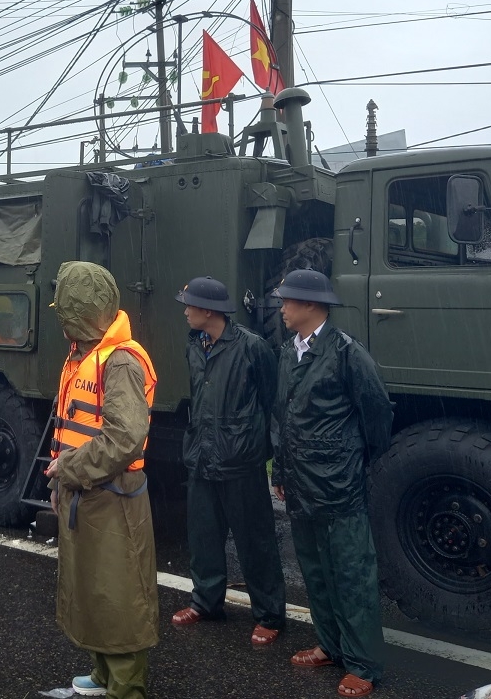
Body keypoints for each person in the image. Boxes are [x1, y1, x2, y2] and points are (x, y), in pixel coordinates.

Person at [271, 269, 393, 698]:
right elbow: (284, 419)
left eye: (287, 300)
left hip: (339, 486)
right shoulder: (289, 352)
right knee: (316, 571)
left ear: (310, 305)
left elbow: (377, 414)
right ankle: (330, 645)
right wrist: (281, 472)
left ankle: (364, 664)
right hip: (301, 484)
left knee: (351, 574)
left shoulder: (346, 354)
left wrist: (352, 462)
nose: (281, 308)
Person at [43, 261, 158, 699]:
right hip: (86, 494)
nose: (60, 320)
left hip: (114, 498)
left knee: (120, 595)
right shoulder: (84, 354)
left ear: (78, 313)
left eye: (64, 310)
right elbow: (73, 428)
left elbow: (125, 438)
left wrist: (68, 470)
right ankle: (104, 673)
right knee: (92, 589)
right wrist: (60, 484)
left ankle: (126, 688)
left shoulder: (120, 361)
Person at [171, 276, 286, 646]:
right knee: (203, 535)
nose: (185, 312)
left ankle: (269, 615)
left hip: (241, 461)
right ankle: (205, 602)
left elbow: (272, 404)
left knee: (255, 541)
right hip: (201, 455)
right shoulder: (194, 344)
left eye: (189, 305)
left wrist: (270, 455)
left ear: (209, 311)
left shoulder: (252, 347)